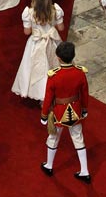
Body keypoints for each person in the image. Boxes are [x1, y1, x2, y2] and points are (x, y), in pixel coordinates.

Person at [40, 41, 90, 184]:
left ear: (58, 58)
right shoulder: (80, 73)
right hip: (75, 110)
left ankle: (49, 165)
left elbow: (48, 98)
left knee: (53, 137)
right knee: (78, 138)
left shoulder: (54, 76)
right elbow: (85, 94)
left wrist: (44, 115)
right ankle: (85, 171)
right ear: (73, 56)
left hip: (59, 112)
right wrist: (84, 109)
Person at [12, 0, 64, 100]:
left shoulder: (29, 13)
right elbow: (61, 28)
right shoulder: (55, 10)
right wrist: (52, 25)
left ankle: (40, 93)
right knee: (53, 65)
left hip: (36, 42)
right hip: (52, 41)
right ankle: (55, 90)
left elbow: (27, 32)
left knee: (37, 67)